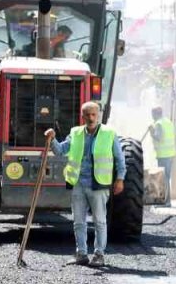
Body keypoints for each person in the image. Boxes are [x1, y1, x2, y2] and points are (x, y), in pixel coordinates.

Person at [45, 101, 125, 267]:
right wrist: (52, 139)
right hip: (78, 184)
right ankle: (81, 254)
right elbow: (60, 150)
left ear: (99, 115)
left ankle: (99, 255)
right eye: (87, 114)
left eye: (93, 114)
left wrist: (120, 179)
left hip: (99, 184)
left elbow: (119, 158)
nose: (91, 117)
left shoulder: (109, 133)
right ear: (82, 116)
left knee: (100, 221)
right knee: (78, 222)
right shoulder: (75, 133)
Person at [142, 106, 175, 206]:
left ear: (155, 114)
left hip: (164, 155)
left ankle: (166, 202)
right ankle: (167, 201)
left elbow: (159, 138)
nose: (152, 116)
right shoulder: (168, 122)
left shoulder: (159, 124)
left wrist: (152, 131)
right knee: (167, 177)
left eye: (152, 114)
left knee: (164, 178)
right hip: (170, 154)